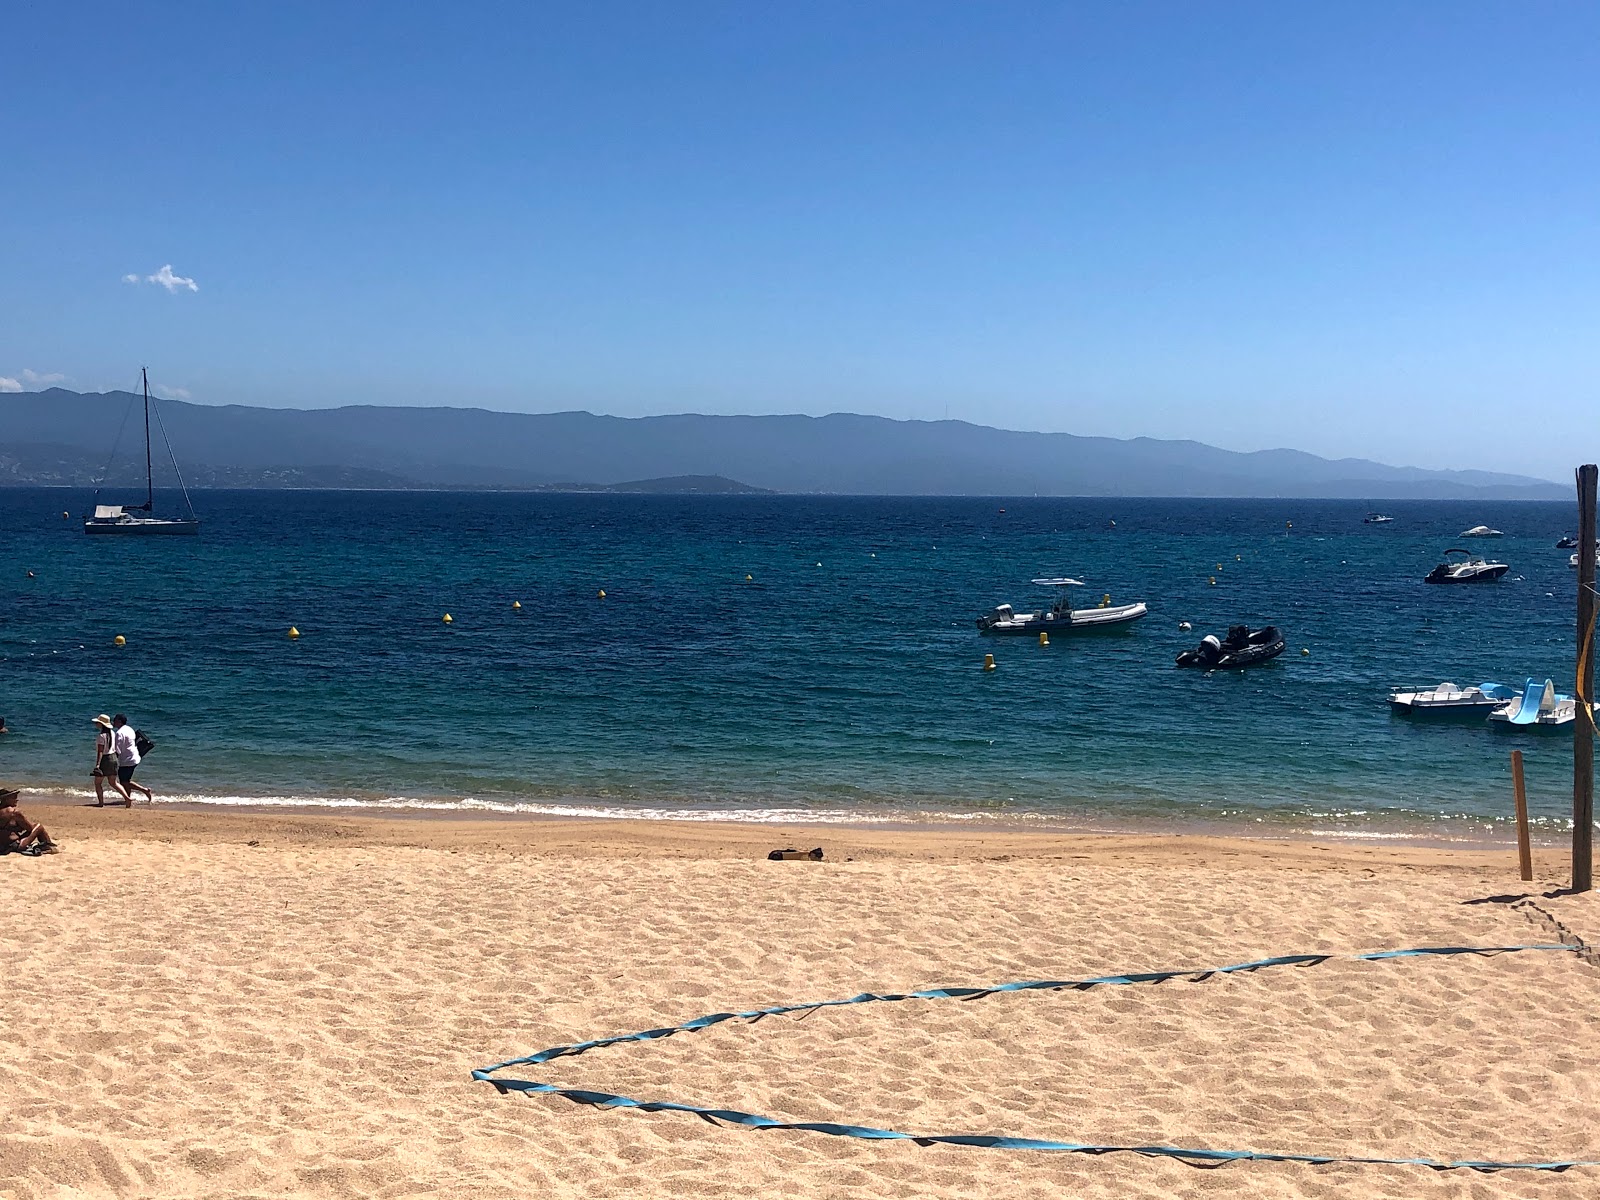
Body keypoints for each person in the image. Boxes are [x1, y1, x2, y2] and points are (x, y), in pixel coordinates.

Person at [1, 787, 58, 854]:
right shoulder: (14, 813)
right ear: (6, 799)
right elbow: (30, 828)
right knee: (38, 827)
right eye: (14, 797)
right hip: (13, 845)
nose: (17, 799)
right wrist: (19, 827)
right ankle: (47, 845)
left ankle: (47, 844)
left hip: (1, 845)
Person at [111, 714, 154, 804]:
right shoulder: (129, 729)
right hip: (134, 757)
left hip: (127, 760)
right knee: (126, 780)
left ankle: (144, 790)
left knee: (124, 782)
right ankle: (128, 798)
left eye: (114, 720)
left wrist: (113, 761)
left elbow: (117, 750)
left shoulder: (119, 733)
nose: (113, 722)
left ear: (119, 721)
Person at [91, 713, 122, 807]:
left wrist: (97, 765)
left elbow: (100, 752)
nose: (96, 724)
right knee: (114, 783)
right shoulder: (113, 733)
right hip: (113, 758)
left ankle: (101, 803)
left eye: (98, 723)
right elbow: (117, 748)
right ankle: (127, 798)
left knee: (97, 783)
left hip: (105, 759)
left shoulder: (101, 736)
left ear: (101, 724)